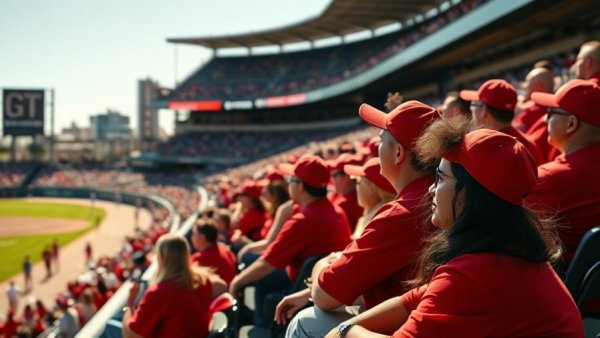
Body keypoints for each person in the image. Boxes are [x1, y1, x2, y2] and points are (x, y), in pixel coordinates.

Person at [323, 118, 584, 338]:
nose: (431, 188)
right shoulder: (507, 246)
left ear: (468, 195)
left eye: (440, 177)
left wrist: (346, 330)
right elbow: (411, 300)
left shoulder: (475, 272)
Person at [281, 101, 439, 337]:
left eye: (381, 140)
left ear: (398, 153)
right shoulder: (442, 193)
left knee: (305, 322)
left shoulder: (402, 212)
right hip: (424, 319)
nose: (377, 147)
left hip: (407, 328)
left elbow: (325, 296)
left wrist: (321, 265)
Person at [229, 154, 352, 328]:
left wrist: (237, 281)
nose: (288, 184)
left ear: (300, 186)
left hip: (302, 285)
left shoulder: (302, 220)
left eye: (291, 180)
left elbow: (266, 264)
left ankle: (262, 326)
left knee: (252, 268)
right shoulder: (338, 211)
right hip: (319, 284)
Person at [526, 79, 600, 266]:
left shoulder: (550, 178)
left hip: (565, 289)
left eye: (550, 112)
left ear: (571, 124)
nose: (544, 119)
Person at [122, 234, 227, 338]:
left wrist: (130, 303)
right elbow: (222, 285)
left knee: (111, 326)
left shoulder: (159, 293)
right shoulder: (203, 281)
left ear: (161, 258)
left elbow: (132, 334)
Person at [460, 79, 544, 165]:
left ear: (484, 111)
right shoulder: (530, 146)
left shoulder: (478, 148)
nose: (471, 109)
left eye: (473, 104)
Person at [344, 157, 396, 239]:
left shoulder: (378, 222)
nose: (356, 187)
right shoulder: (373, 213)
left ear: (372, 188)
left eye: (358, 181)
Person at [190, 218, 237, 286]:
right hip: (230, 292)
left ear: (202, 237)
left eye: (194, 234)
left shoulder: (198, 259)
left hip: (219, 294)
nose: (192, 237)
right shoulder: (224, 249)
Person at [327, 153, 364, 232]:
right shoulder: (367, 194)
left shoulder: (343, 204)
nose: (331, 179)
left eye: (334, 175)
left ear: (346, 176)